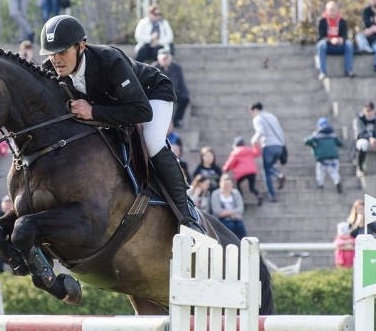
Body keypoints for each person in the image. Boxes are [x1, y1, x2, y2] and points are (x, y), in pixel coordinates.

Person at [40, 14, 200, 230]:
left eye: (62, 52)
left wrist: (93, 112)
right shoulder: (51, 70)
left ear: (81, 46)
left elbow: (141, 111)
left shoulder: (110, 60)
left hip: (151, 94)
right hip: (115, 106)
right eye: (51, 54)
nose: (56, 60)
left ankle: (187, 213)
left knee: (152, 141)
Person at [250, 102, 286, 202]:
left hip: (268, 146)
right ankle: (278, 174)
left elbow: (261, 131)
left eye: (252, 112)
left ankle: (272, 195)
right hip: (279, 145)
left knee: (266, 171)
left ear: (255, 110)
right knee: (269, 167)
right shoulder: (272, 116)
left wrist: (253, 140)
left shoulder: (258, 118)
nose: (252, 115)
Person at [315, 1, 355, 80]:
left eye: (334, 10)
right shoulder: (322, 21)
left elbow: (345, 36)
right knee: (321, 45)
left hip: (339, 45)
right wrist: (330, 40)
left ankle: (348, 70)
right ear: (326, 11)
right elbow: (320, 37)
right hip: (327, 46)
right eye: (331, 10)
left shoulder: (342, 21)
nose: (333, 12)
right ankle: (322, 72)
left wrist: (341, 39)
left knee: (349, 44)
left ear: (338, 11)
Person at [304, 117, 343, 193]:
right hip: (333, 158)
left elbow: (306, 141)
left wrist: (312, 140)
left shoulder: (317, 135)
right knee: (334, 172)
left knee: (320, 171)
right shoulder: (333, 134)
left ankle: (320, 184)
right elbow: (340, 143)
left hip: (322, 159)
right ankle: (337, 181)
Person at [152, 48, 189, 127]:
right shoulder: (154, 68)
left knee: (185, 99)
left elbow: (181, 83)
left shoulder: (177, 68)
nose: (165, 60)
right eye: (163, 58)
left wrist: (185, 94)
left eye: (167, 58)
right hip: (159, 94)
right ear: (159, 59)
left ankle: (176, 120)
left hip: (174, 92)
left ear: (171, 58)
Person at [223, 136, 263, 204]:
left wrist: (225, 168)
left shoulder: (235, 152)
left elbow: (230, 162)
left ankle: (241, 198)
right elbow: (257, 153)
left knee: (238, 184)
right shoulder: (248, 150)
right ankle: (258, 195)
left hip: (242, 172)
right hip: (252, 171)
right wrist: (255, 145)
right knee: (252, 187)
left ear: (235, 145)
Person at [354, 101, 376, 176]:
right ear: (364, 110)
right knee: (363, 144)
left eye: (371, 110)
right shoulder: (359, 118)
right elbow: (360, 133)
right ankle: (360, 168)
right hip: (363, 138)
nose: (369, 112)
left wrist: (375, 138)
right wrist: (369, 138)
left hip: (375, 139)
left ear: (374, 110)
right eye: (367, 110)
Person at [210, 173, 247, 238]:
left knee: (240, 226)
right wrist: (233, 212)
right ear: (220, 184)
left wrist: (227, 213)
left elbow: (240, 208)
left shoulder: (236, 193)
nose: (227, 186)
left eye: (229, 184)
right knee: (230, 226)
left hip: (235, 219)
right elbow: (217, 211)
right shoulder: (215, 194)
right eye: (225, 184)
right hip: (221, 220)